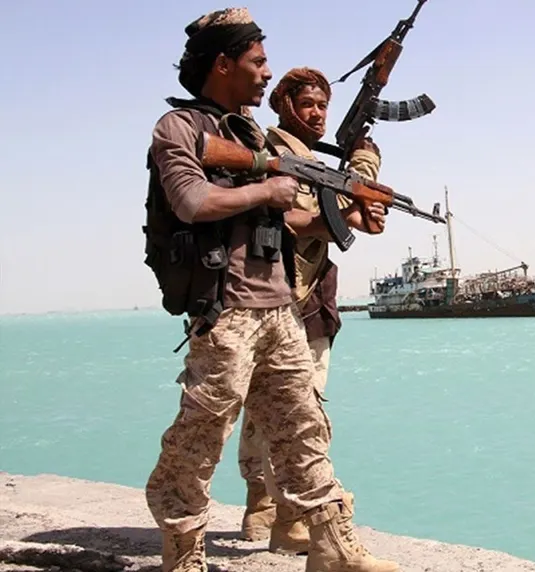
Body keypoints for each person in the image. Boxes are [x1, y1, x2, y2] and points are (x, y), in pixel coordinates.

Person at [142, 7, 399, 572]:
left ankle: (331, 545)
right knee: (202, 433)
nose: (265, 73)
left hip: (279, 305)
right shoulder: (179, 128)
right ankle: (182, 549)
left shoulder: (253, 134)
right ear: (223, 64)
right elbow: (191, 201)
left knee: (304, 429)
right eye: (257, 62)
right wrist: (265, 188)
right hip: (226, 310)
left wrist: (346, 215)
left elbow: (286, 218)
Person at [237, 66, 387, 555]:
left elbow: (340, 206)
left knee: (265, 408)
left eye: (323, 105)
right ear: (285, 105)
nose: (318, 113)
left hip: (301, 293)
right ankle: (290, 516)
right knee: (303, 410)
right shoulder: (274, 156)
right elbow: (291, 218)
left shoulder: (304, 158)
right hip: (291, 297)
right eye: (307, 104)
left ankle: (261, 503)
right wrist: (351, 204)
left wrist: (363, 174)